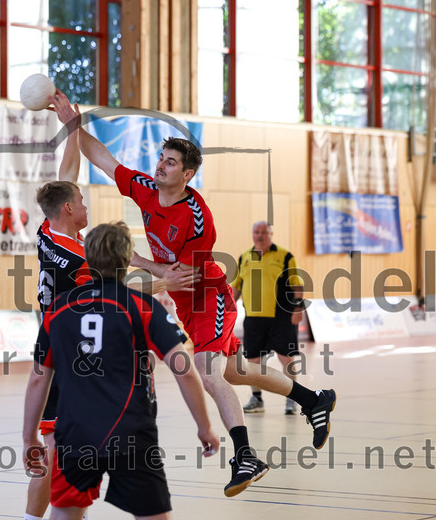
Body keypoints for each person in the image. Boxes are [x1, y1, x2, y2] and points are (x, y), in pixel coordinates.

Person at [50, 92, 336, 498]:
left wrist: (136, 260)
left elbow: (178, 277)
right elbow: (104, 160)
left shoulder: (197, 218)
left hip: (209, 296)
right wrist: (73, 125)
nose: (160, 165)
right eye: (161, 158)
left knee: (207, 370)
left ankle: (245, 456)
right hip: (186, 301)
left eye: (170, 162)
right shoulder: (145, 188)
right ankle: (313, 399)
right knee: (235, 373)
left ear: (187, 174)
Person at [10, 99, 198, 520]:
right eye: (81, 200)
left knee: (64, 450)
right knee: (68, 450)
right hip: (67, 352)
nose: (86, 203)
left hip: (63, 343)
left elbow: (67, 173)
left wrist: (72, 126)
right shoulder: (75, 259)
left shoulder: (53, 231)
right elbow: (115, 295)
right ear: (70, 209)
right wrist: (166, 281)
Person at [22, 221, 220, 520]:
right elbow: (183, 368)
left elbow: (38, 378)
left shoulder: (58, 310)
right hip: (131, 435)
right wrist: (204, 426)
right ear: (127, 259)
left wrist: (28, 437)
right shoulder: (140, 306)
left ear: (88, 257)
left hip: (74, 435)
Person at [230, 221, 304, 415]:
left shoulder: (285, 256)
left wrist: (298, 307)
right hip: (254, 318)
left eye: (264, 232)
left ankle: (292, 399)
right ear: (252, 234)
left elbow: (297, 284)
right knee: (253, 362)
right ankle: (257, 399)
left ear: (271, 234)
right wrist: (226, 309)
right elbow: (236, 286)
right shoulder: (244, 257)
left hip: (282, 317)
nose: (260, 235)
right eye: (257, 232)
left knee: (286, 358)